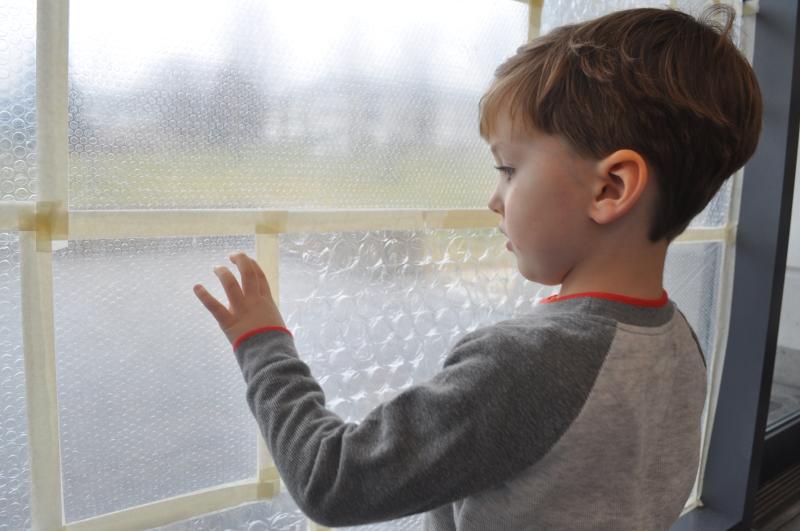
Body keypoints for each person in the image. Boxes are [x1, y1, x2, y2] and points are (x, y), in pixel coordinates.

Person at [193, 4, 762, 530]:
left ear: (610, 187)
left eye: (508, 169)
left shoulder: (528, 363)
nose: (494, 199)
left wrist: (262, 343)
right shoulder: (676, 338)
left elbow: (332, 481)